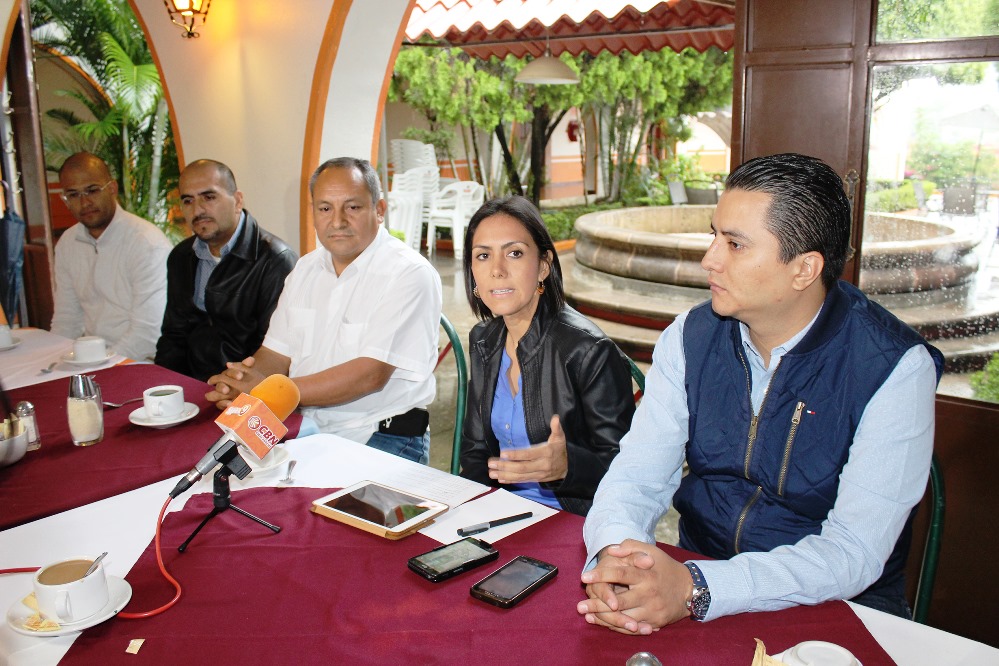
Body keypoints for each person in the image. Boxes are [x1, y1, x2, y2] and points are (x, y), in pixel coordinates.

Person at [578, 153, 944, 634]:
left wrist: (697, 587)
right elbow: (636, 477)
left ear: (804, 269)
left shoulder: (893, 368)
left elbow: (853, 551)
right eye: (714, 235)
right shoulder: (691, 337)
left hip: (834, 608)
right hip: (697, 573)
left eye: (734, 244)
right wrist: (618, 558)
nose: (709, 259)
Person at [206, 157, 442, 464]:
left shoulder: (408, 274)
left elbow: (369, 376)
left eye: (352, 207)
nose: (338, 221)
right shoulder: (306, 268)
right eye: (325, 208)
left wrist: (266, 391)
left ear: (379, 210)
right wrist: (240, 382)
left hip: (381, 434)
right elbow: (276, 354)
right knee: (220, 472)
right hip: (305, 428)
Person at [459, 196, 634, 516]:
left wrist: (568, 465)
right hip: (503, 514)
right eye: (483, 256)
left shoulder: (588, 350)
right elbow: (475, 452)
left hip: (574, 519)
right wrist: (473, 514)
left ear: (543, 265)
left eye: (514, 253)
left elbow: (629, 470)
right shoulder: (484, 340)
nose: (497, 270)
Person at [155, 160, 297, 381]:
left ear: (237, 201)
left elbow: (273, 352)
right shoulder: (181, 257)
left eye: (209, 197)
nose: (198, 210)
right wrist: (163, 384)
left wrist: (230, 387)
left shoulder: (275, 260)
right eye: (188, 200)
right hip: (190, 384)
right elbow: (174, 335)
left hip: (246, 387)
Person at [50, 152, 171, 361]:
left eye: (92, 190)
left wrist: (101, 366)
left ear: (112, 188)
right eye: (73, 194)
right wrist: (52, 363)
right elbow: (66, 320)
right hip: (91, 360)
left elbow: (147, 335)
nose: (85, 202)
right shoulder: (68, 243)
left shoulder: (146, 243)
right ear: (65, 199)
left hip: (141, 362)